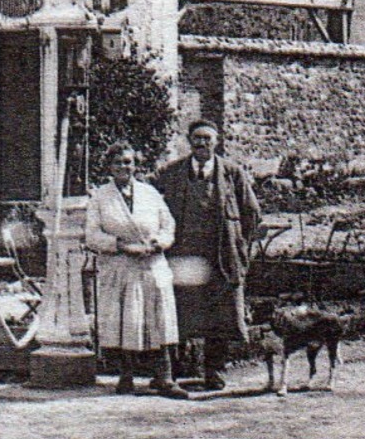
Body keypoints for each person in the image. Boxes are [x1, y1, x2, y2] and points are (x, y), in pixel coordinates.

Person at [154, 119, 262, 391]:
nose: (201, 143)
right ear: (189, 141)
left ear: (217, 142)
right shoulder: (172, 172)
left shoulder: (232, 173)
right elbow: (154, 209)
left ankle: (213, 371)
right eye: (196, 138)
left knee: (220, 315)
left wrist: (239, 246)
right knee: (180, 311)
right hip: (184, 256)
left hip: (220, 256)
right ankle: (174, 372)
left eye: (207, 139)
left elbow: (252, 213)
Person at [84, 142, 189, 399]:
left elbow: (168, 225)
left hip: (152, 265)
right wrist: (119, 245)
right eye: (119, 162)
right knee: (127, 319)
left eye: (129, 162)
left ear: (135, 165)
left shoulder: (150, 193)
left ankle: (164, 377)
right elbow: (92, 234)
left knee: (160, 318)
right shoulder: (100, 197)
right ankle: (126, 376)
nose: (124, 167)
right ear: (110, 166)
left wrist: (158, 243)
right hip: (120, 266)